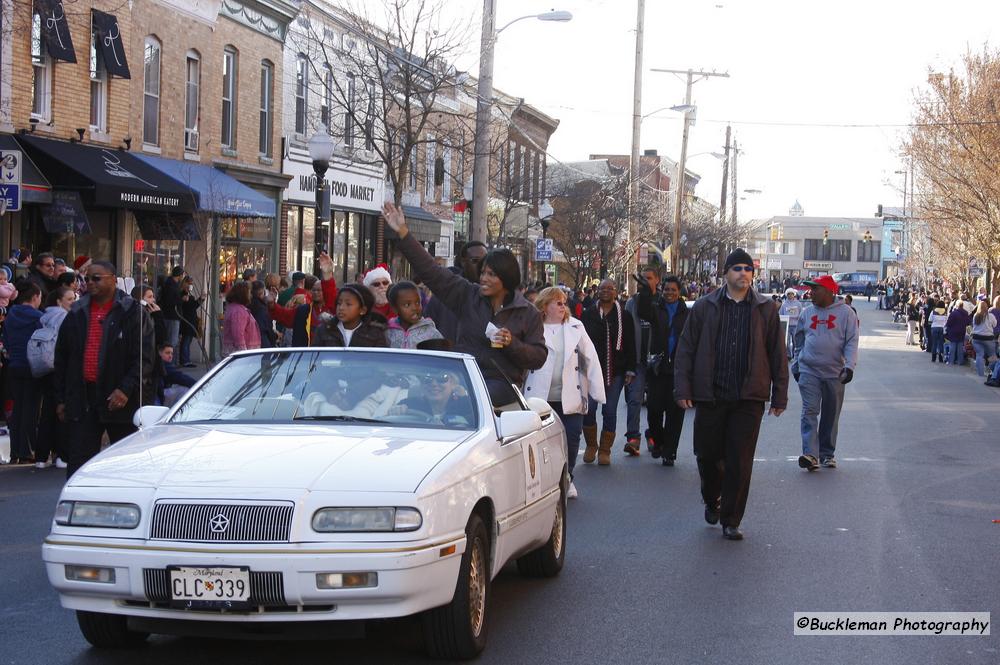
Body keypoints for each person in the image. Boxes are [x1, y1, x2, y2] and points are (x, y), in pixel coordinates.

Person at [673, 248, 788, 541]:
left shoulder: (765, 309)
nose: (743, 274)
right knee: (708, 456)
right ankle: (712, 498)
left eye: (748, 269)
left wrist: (779, 395)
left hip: (748, 397)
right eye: (737, 268)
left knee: (740, 460)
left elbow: (777, 354)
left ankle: (731, 519)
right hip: (711, 395)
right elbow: (686, 349)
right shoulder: (704, 307)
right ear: (725, 273)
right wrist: (683, 388)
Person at [382, 202, 546, 406]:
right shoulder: (468, 295)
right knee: (412, 400)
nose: (483, 278)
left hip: (500, 385)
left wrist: (511, 342)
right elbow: (432, 272)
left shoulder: (527, 312)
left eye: (491, 274)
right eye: (483, 272)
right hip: (461, 378)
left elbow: (538, 357)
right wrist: (404, 233)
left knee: (472, 399)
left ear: (506, 277)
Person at [54, 261, 155, 478]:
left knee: (125, 461)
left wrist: (126, 389)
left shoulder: (132, 312)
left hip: (119, 399)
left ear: (112, 279)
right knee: (79, 460)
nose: (90, 283)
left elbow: (144, 359)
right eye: (87, 278)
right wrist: (62, 398)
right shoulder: (77, 312)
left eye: (96, 278)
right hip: (84, 398)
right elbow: (62, 357)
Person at [523, 287, 605, 499]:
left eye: (564, 302)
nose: (563, 306)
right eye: (557, 302)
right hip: (541, 398)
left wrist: (598, 391)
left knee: (571, 437)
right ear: (544, 305)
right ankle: (546, 482)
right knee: (543, 443)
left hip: (570, 394)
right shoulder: (533, 328)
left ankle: (567, 478)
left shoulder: (575, 326)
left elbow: (591, 358)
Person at [791, 275, 859, 471]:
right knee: (809, 411)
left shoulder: (846, 314)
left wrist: (849, 367)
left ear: (829, 291)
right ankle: (810, 454)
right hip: (809, 370)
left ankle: (827, 454)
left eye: (816, 289)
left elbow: (851, 341)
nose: (811, 293)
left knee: (831, 414)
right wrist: (797, 364)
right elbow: (799, 341)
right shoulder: (806, 313)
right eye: (811, 289)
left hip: (834, 372)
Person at [636, 272, 689, 466]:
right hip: (657, 368)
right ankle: (657, 441)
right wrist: (645, 290)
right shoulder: (655, 308)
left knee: (675, 414)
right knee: (654, 410)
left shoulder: (686, 312)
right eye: (666, 289)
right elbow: (642, 311)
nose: (669, 293)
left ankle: (669, 452)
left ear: (679, 291)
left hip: (679, 370)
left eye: (673, 290)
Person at [581, 279, 636, 464]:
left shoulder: (624, 316)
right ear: (598, 292)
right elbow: (580, 342)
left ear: (616, 292)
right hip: (591, 370)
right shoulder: (588, 314)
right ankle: (591, 445)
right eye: (602, 288)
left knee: (610, 410)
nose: (605, 291)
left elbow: (630, 343)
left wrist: (630, 369)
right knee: (589, 410)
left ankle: (605, 450)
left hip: (616, 371)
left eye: (610, 288)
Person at [1, 284, 44, 465]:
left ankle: (16, 451)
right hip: (32, 366)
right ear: (35, 297)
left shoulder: (11, 315)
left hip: (15, 364)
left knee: (18, 408)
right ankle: (28, 450)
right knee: (32, 409)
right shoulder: (39, 318)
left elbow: (7, 340)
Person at [34, 286, 75, 469]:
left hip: (45, 369)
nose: (73, 303)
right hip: (62, 369)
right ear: (59, 302)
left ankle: (41, 457)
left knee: (46, 414)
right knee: (62, 412)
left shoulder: (44, 317)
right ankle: (62, 455)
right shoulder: (65, 318)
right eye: (69, 299)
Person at [423, 240, 488, 343]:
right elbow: (425, 329)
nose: (481, 267)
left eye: (484, 261)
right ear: (463, 262)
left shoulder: (492, 295)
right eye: (475, 261)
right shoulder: (444, 292)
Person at [269, 253, 338, 346]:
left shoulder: (332, 311)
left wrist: (327, 274)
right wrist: (272, 305)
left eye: (319, 290)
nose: (316, 292)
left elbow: (331, 294)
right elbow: (284, 316)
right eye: (314, 290)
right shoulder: (303, 310)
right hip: (305, 357)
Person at [624, 268, 655, 455]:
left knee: (656, 404)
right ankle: (633, 438)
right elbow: (627, 333)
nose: (646, 281)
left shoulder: (660, 301)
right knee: (634, 400)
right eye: (643, 278)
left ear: (657, 280)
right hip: (637, 361)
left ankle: (654, 435)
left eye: (649, 278)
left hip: (657, 362)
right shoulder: (632, 303)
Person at [312, 283, 388, 348]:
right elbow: (314, 359)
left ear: (363, 310)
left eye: (348, 304)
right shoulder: (324, 330)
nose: (341, 308)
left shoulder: (375, 333)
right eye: (339, 303)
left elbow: (380, 362)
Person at [386, 281, 444, 349]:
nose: (414, 308)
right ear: (395, 309)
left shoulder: (430, 332)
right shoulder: (389, 332)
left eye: (417, 303)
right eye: (407, 305)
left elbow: (441, 355)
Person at [221, 280, 261, 356]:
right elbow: (238, 334)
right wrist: (243, 353)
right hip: (241, 355)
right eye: (249, 293)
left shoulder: (235, 308)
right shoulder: (238, 311)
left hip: (241, 353)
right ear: (243, 294)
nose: (250, 295)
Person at [969, 300, 997, 377]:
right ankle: (992, 371)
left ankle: (980, 374)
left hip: (977, 337)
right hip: (988, 338)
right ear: (987, 307)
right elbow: (995, 325)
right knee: (992, 355)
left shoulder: (976, 316)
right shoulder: (990, 316)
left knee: (979, 355)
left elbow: (974, 326)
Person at [178, 276, 202, 367]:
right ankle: (185, 360)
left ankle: (186, 359)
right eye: (189, 283)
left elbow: (193, 306)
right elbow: (190, 306)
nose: (191, 285)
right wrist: (199, 300)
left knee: (188, 340)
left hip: (191, 319)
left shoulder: (188, 294)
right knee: (186, 340)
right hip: (187, 320)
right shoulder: (183, 294)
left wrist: (200, 299)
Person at [249, 280, 277, 348]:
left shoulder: (248, 304)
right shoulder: (261, 308)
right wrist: (274, 337)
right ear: (262, 292)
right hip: (263, 342)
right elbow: (266, 327)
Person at [944, 299, 971, 366]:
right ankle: (960, 361)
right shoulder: (966, 313)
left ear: (957, 305)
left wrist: (947, 328)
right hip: (962, 331)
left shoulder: (954, 313)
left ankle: (951, 361)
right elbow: (968, 322)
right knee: (960, 347)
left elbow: (949, 322)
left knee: (952, 346)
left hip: (953, 332)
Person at [779, 288, 803, 359]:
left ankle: (796, 355)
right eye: (788, 294)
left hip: (796, 325)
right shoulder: (784, 304)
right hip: (787, 326)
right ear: (787, 295)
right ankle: (788, 355)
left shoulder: (798, 304)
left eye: (791, 294)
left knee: (795, 341)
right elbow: (781, 314)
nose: (790, 295)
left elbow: (801, 314)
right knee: (787, 341)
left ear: (794, 295)